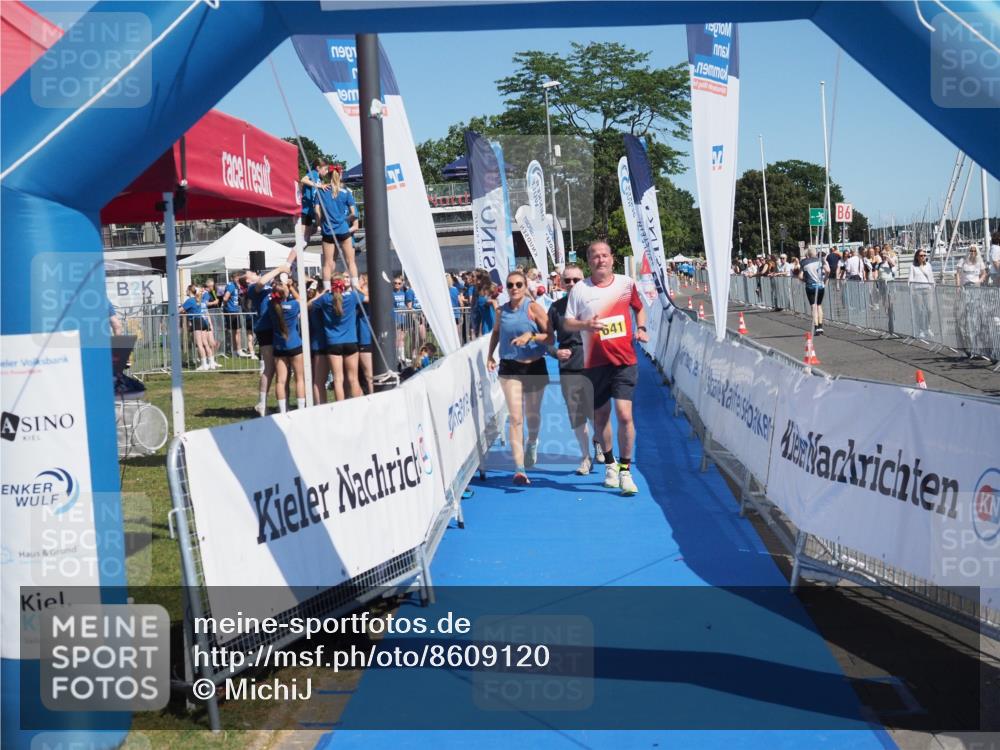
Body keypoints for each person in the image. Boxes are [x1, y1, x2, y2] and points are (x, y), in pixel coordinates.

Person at [563, 241, 648, 497]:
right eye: (595, 257)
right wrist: (585, 324)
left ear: (612, 258)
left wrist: (641, 328)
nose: (600, 260)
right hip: (594, 364)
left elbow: (639, 307)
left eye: (604, 255)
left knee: (624, 415)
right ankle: (610, 463)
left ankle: (625, 470)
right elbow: (567, 323)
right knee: (600, 418)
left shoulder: (625, 284)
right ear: (589, 262)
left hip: (624, 361)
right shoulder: (579, 290)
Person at [487, 270, 550, 486]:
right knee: (515, 418)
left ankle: (532, 441)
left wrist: (530, 336)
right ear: (506, 288)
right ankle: (520, 469)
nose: (514, 288)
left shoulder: (533, 308)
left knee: (532, 415)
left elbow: (551, 336)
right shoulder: (501, 311)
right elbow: (496, 333)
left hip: (534, 366)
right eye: (510, 285)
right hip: (509, 366)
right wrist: (490, 356)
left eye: (518, 285)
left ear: (525, 287)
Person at [546, 264, 596, 475]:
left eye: (576, 280)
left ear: (583, 280)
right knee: (576, 414)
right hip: (569, 366)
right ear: (561, 282)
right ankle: (585, 457)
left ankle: (600, 441)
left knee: (596, 412)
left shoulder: (594, 304)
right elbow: (547, 341)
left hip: (595, 363)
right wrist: (555, 352)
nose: (572, 284)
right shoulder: (555, 308)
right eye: (567, 280)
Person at [312, 273, 364, 401]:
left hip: (333, 343)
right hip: (351, 341)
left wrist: (322, 293)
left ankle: (340, 409)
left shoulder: (325, 299)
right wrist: (356, 286)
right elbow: (366, 297)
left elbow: (308, 305)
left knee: (338, 380)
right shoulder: (352, 297)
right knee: (353, 379)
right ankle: (358, 407)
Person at [248, 266, 287, 416]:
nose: (248, 276)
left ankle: (282, 404)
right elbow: (260, 283)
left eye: (249, 273)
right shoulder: (254, 288)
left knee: (282, 369)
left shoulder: (273, 288)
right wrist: (279, 269)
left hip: (279, 329)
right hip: (265, 329)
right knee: (270, 368)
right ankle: (262, 403)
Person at [313, 165, 359, 289]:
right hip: (343, 230)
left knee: (328, 263)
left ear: (328, 175)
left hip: (328, 230)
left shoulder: (321, 191)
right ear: (340, 176)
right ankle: (356, 288)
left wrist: (319, 223)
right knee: (351, 261)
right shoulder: (346, 192)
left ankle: (327, 290)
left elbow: (317, 210)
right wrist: (344, 220)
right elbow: (353, 213)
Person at [269, 275, 305, 413]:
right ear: (285, 294)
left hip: (279, 346)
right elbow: (300, 300)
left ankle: (282, 410)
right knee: (299, 378)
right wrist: (290, 287)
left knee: (280, 380)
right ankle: (301, 408)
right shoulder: (294, 305)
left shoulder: (271, 306)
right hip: (294, 345)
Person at [181, 284, 218, 370]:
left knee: (199, 344)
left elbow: (179, 310)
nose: (186, 291)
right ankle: (211, 363)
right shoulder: (199, 299)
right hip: (203, 321)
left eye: (187, 290)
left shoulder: (190, 300)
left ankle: (204, 364)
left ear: (190, 291)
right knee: (205, 343)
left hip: (197, 321)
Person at [306, 282, 330, 404]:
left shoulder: (325, 302)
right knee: (317, 380)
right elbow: (305, 306)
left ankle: (319, 405)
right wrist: (320, 296)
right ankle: (319, 405)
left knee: (318, 380)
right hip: (317, 344)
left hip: (324, 343)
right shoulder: (316, 303)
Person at [800, 246, 829, 334]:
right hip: (820, 285)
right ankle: (820, 326)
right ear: (815, 253)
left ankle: (816, 327)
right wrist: (824, 279)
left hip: (810, 286)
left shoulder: (804, 262)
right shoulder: (820, 260)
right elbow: (828, 270)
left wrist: (805, 280)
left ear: (808, 254)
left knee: (813, 306)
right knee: (819, 305)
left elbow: (800, 276)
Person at [908, 248, 936, 339]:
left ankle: (927, 327)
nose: (923, 257)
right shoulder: (913, 266)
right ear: (917, 257)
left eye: (924, 255)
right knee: (919, 311)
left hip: (927, 290)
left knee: (929, 309)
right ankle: (920, 330)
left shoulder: (928, 265)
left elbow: (931, 278)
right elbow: (910, 279)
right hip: (917, 291)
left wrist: (933, 287)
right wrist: (911, 290)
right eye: (921, 255)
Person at [300, 159, 330, 243]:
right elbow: (303, 180)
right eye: (325, 169)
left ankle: (297, 254)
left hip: (311, 211)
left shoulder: (319, 178)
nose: (327, 172)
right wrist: (319, 186)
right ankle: (293, 256)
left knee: (306, 238)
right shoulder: (313, 173)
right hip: (305, 211)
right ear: (318, 168)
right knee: (303, 240)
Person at [221, 270, 249, 357]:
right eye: (237, 278)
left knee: (237, 331)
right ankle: (237, 350)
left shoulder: (236, 286)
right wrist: (226, 307)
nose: (238, 279)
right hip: (231, 311)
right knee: (235, 331)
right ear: (233, 278)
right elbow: (225, 298)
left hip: (235, 311)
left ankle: (237, 350)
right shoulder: (231, 285)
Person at [356, 274, 374, 394]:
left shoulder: (366, 293)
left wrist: (355, 286)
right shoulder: (360, 294)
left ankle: (373, 397)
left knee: (369, 374)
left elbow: (367, 297)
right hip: (360, 337)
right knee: (361, 374)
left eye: (359, 279)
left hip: (365, 338)